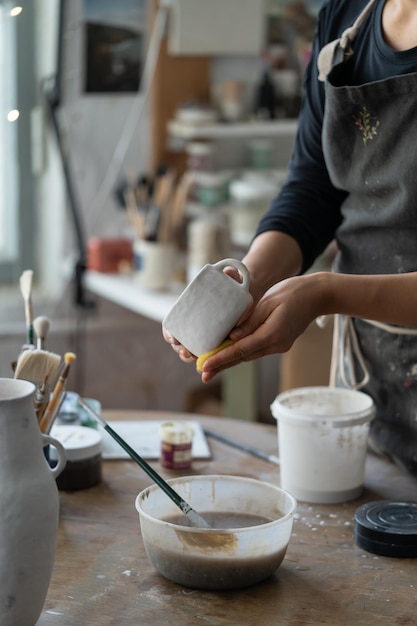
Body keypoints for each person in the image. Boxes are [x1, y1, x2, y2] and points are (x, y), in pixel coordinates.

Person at [163, 0, 417, 477]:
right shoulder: (347, 20)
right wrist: (247, 280)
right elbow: (314, 189)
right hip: (369, 388)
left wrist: (326, 292)